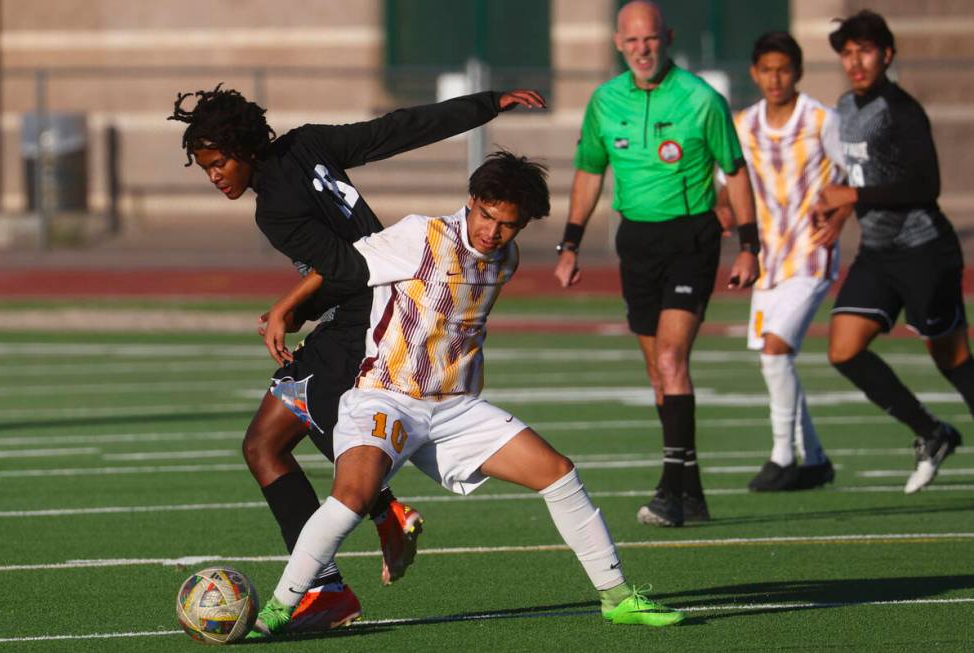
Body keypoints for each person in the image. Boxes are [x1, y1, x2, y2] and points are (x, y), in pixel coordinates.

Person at [249, 151, 685, 638]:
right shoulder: (422, 235)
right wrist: (286, 308)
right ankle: (278, 609)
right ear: (472, 201)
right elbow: (340, 265)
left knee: (558, 473)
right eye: (486, 215)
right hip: (385, 397)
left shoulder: (507, 259)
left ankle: (618, 597)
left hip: (455, 407)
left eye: (507, 225)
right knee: (353, 497)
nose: (492, 232)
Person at [168, 85, 546, 630]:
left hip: (365, 317)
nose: (214, 175)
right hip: (374, 305)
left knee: (284, 426)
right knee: (265, 441)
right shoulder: (308, 145)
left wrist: (290, 307)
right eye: (204, 168)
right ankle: (339, 570)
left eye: (218, 162)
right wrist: (485, 104)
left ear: (244, 148)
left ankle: (373, 524)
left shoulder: (273, 210)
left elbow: (349, 268)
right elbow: (400, 129)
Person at [553, 0, 759, 527]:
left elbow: (735, 173)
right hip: (636, 242)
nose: (643, 50)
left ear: (666, 37)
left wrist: (750, 246)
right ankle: (692, 491)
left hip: (692, 238)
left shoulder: (701, 99)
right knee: (656, 372)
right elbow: (589, 173)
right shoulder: (604, 101)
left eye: (651, 39)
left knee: (671, 360)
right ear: (618, 44)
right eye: (632, 41)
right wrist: (570, 244)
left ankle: (669, 491)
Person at [814, 10, 968, 493]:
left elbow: (926, 184)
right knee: (843, 349)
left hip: (925, 251)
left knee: (952, 357)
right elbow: (859, 174)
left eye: (866, 51)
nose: (856, 61)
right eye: (848, 52)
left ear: (887, 55)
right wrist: (839, 214)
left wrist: (852, 199)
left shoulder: (901, 111)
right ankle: (931, 432)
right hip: (879, 254)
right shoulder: (844, 106)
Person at [717, 32, 846, 491]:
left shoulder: (820, 119)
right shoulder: (744, 124)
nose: (775, 78)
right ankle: (815, 459)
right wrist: (723, 209)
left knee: (775, 352)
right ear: (755, 73)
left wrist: (841, 215)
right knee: (775, 359)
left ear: (798, 72)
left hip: (811, 255)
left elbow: (852, 177)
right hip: (766, 261)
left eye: (784, 69)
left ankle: (781, 457)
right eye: (767, 69)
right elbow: (727, 182)